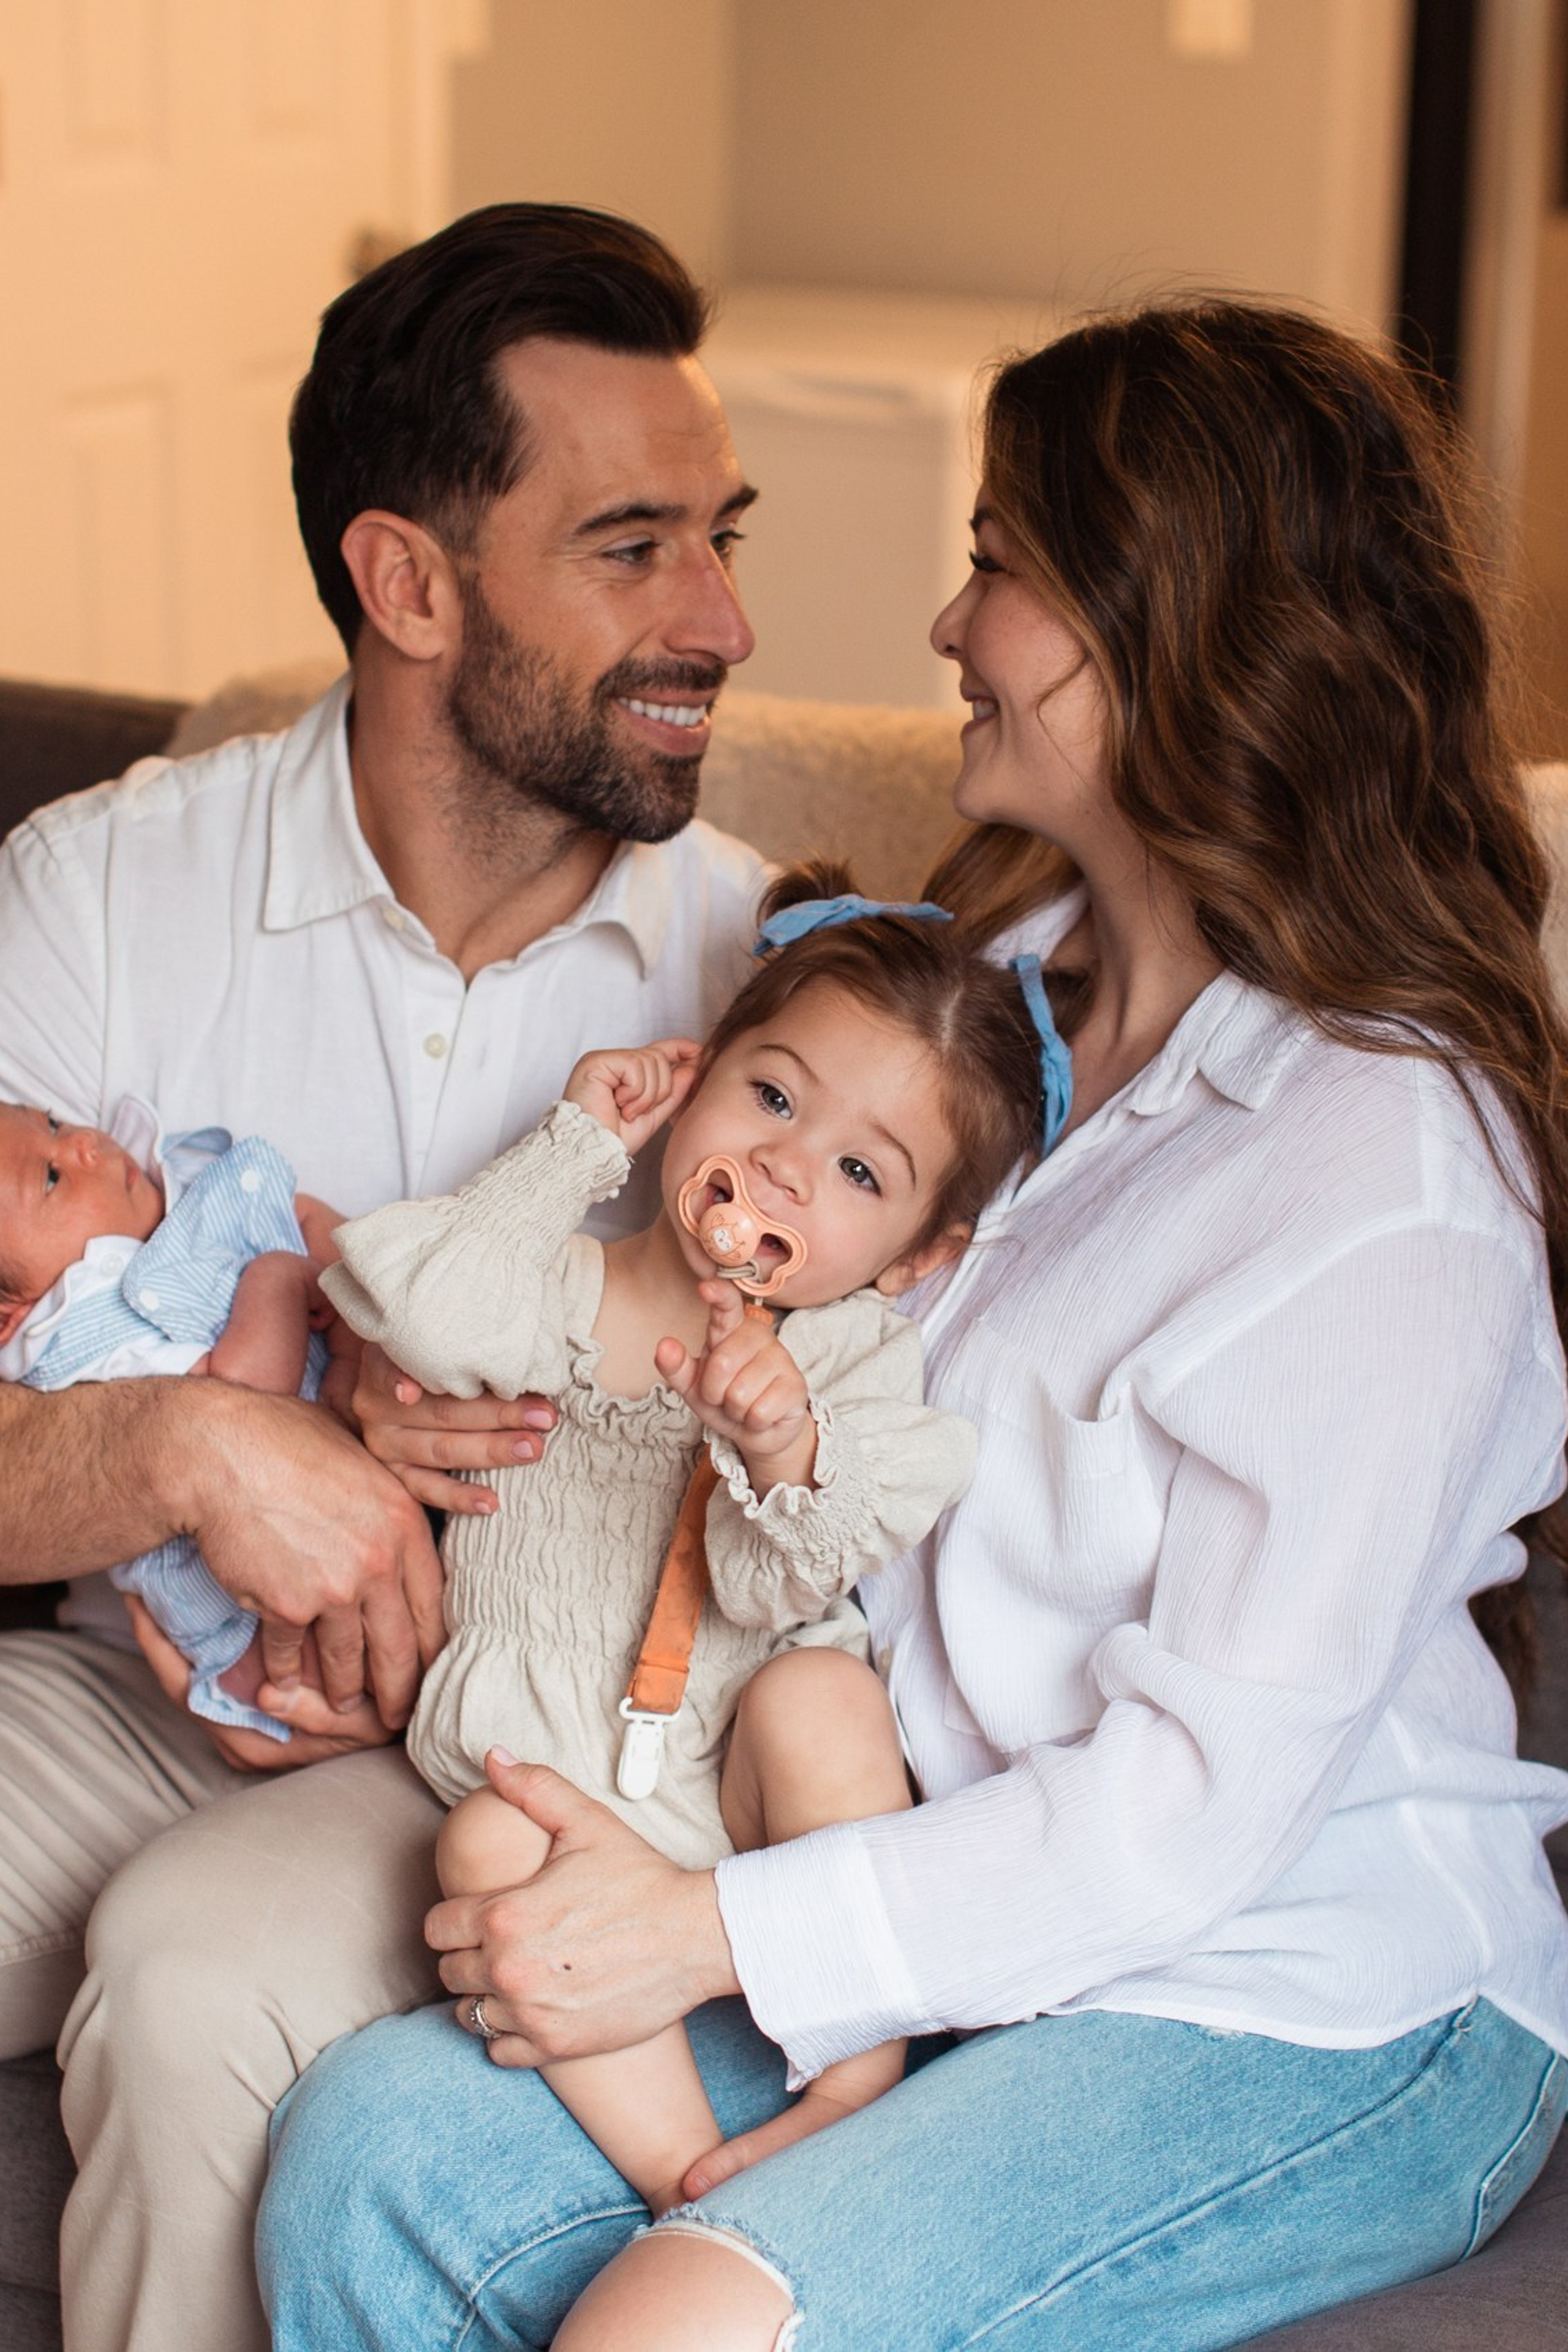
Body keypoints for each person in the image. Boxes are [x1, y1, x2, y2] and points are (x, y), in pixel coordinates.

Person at [262, 299, 1568, 2352]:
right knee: (368, 2159)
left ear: (1170, 627)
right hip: (959, 1930)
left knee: (687, 2321)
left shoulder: (1384, 1166)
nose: (948, 624)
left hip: (1294, 1992)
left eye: (998, 563)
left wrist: (695, 1929)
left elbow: (1190, 1816)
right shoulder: (979, 1009)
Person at [0, 202, 763, 2352]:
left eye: (721, 533)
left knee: (184, 1975)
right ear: (406, 583)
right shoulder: (103, 895)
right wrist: (186, 1444)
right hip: (132, 1695)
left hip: (518, 1763)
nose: (722, 613)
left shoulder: (772, 982)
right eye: (634, 547)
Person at [324, 864, 1046, 2212]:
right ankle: (691, 2182)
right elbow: (414, 1310)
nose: (779, 1164)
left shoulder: (843, 1368)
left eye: (853, 1172)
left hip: (737, 1786)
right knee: (478, 1851)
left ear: (911, 1256)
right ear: (698, 1071)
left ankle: (854, 2081)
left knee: (824, 1694)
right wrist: (574, 1143)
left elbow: (780, 1581)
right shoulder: (557, 1282)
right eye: (770, 1095)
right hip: (550, 1778)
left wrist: (775, 1446)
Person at [0, 1094, 353, 1738]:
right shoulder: (84, 1332)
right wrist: (279, 1278)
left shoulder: (179, 1183)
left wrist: (360, 1279)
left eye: (52, 1124)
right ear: (12, 1313)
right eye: (52, 1178)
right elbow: (244, 1409)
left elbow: (296, 1214)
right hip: (271, 1632)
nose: (83, 1144)